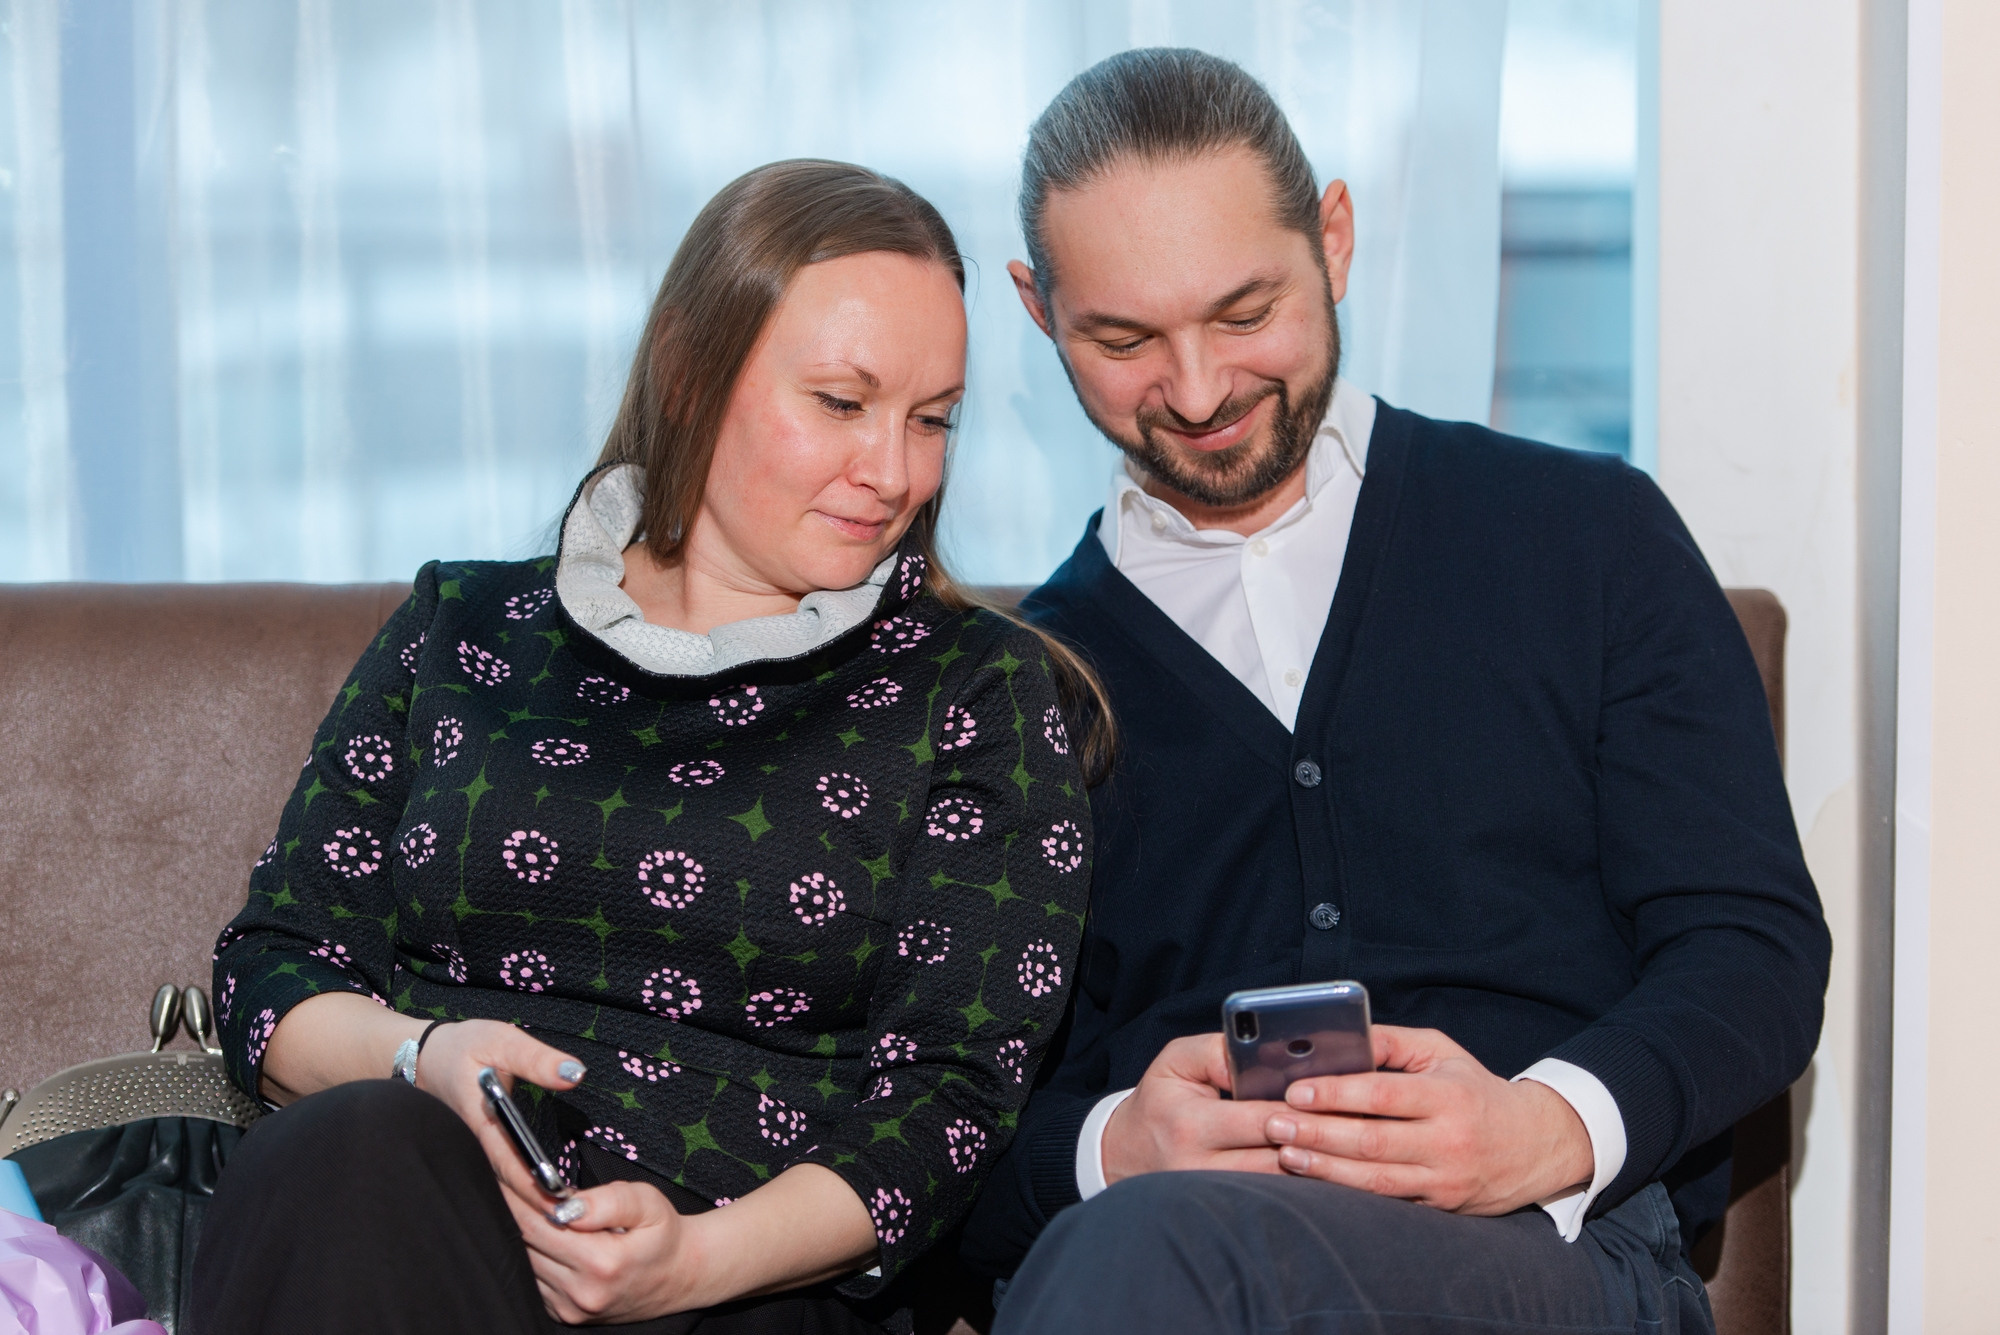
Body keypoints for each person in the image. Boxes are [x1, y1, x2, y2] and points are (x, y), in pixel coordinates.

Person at [958, 49, 1831, 1334]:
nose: (1196, 392)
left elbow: (1751, 950)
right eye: (1124, 339)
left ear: (1335, 239)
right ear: (1039, 312)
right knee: (1158, 1250)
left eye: (1244, 313)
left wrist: (1541, 1128)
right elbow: (944, 1121)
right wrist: (1105, 1151)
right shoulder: (1013, 689)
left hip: (1562, 1260)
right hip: (1162, 1264)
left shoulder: (1583, 534)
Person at [193, 159, 1105, 1335]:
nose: (894, 473)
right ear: (687, 370)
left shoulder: (972, 688)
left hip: (750, 1276)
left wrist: (693, 1261)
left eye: (932, 420)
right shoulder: (460, 627)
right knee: (351, 1151)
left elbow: (951, 1100)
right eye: (841, 403)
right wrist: (425, 1058)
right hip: (416, 1225)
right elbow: (272, 970)